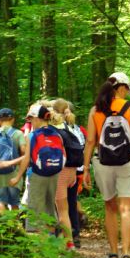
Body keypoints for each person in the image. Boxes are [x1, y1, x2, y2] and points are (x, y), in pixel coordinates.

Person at [83, 72, 130, 258]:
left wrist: (85, 169)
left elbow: (91, 141)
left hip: (103, 161)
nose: (127, 94)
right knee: (126, 208)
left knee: (110, 207)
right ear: (122, 87)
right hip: (128, 160)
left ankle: (112, 253)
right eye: (127, 89)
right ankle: (126, 255)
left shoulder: (96, 110)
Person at [10, 104, 72, 249]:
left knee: (35, 211)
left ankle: (39, 248)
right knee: (50, 208)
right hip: (54, 175)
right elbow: (64, 155)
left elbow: (26, 159)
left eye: (31, 120)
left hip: (37, 175)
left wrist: (18, 177)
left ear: (37, 119)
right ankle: (52, 244)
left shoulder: (32, 135)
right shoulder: (56, 134)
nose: (31, 123)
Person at [50, 99, 83, 248]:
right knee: (70, 205)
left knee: (61, 210)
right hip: (73, 171)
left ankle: (66, 243)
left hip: (61, 172)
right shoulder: (72, 127)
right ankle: (72, 237)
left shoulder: (52, 129)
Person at [0, 108, 27, 214]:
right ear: (12, 119)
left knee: (0, 202)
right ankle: (15, 227)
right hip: (14, 174)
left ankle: (4, 227)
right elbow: (24, 154)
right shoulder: (18, 134)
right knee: (15, 203)